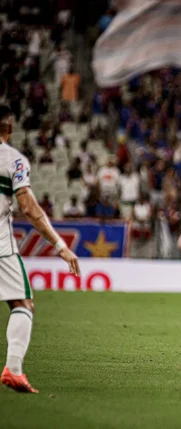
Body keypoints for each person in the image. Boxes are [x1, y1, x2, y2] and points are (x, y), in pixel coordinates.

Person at [0, 105, 80, 393]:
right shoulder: (12, 160)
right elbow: (30, 209)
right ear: (9, 128)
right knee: (22, 304)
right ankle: (14, 369)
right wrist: (60, 245)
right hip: (0, 246)